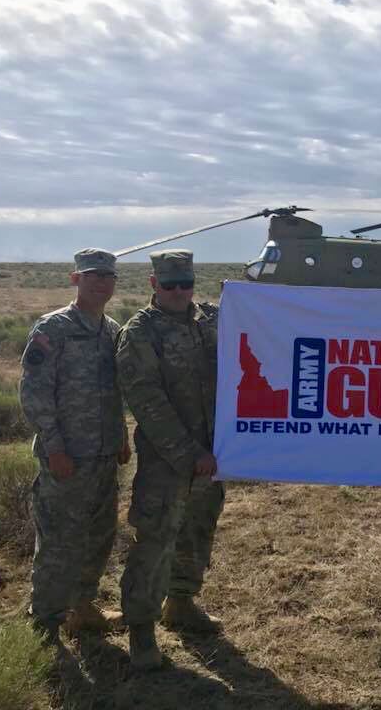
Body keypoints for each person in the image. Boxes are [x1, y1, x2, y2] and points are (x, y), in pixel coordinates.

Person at [116, 249, 224, 671]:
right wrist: (188, 453)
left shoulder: (211, 319)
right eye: (170, 285)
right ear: (153, 285)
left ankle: (181, 602)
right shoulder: (139, 333)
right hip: (168, 460)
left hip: (213, 455)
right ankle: (141, 630)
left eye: (187, 284)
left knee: (198, 530)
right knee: (156, 541)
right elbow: (147, 402)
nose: (180, 292)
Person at [19, 248, 130, 645]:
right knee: (58, 541)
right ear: (76, 279)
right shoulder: (54, 329)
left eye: (108, 276)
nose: (102, 282)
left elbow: (113, 392)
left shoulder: (112, 330)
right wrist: (54, 447)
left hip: (102, 457)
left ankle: (82, 609)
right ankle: (45, 623)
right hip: (66, 457)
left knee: (98, 536)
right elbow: (34, 393)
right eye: (93, 275)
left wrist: (121, 435)